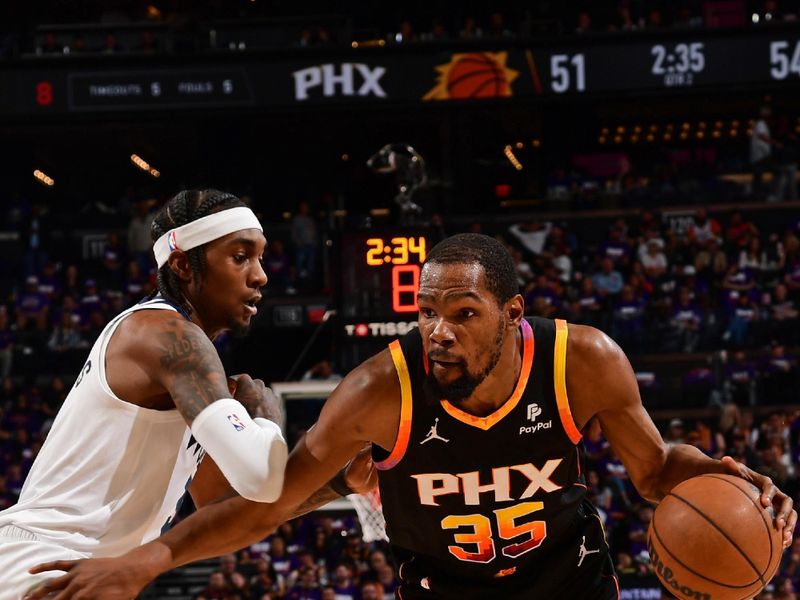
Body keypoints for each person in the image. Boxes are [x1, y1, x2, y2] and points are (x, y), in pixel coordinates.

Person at [29, 234, 797, 600]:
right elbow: (273, 507)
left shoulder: (584, 361)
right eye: (427, 312)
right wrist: (150, 558)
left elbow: (657, 471)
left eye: (462, 313)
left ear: (512, 313)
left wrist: (719, 471)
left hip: (568, 585)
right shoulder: (378, 392)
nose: (439, 330)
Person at [0, 189, 292, 599]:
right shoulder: (165, 335)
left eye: (259, 257)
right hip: (47, 563)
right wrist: (266, 415)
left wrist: (339, 482)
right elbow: (260, 478)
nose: (260, 274)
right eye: (240, 256)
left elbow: (230, 504)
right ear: (183, 266)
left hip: (76, 569)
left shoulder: (186, 369)